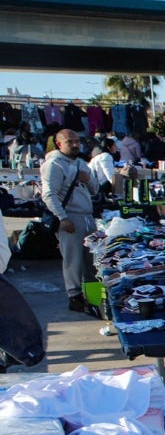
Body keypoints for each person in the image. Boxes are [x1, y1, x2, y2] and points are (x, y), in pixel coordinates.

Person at [40, 129, 99, 312]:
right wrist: (63, 218)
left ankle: (93, 297)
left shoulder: (82, 163)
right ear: (59, 144)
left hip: (88, 217)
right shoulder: (54, 165)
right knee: (73, 261)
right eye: (69, 142)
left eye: (77, 141)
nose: (75, 145)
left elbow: (95, 190)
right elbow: (49, 195)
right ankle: (74, 297)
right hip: (71, 217)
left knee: (92, 261)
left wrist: (87, 178)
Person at [88, 137, 119, 201]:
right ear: (109, 147)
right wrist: (123, 190)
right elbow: (111, 176)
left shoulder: (100, 156)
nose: (116, 147)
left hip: (93, 185)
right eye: (114, 145)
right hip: (98, 188)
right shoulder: (106, 156)